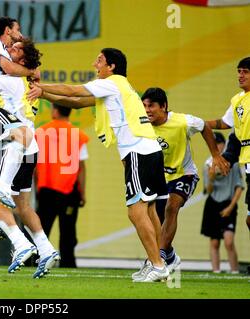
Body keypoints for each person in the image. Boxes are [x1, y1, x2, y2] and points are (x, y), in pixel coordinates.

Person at [27, 48, 170, 282]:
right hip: (151, 150)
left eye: (100, 60)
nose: (95, 64)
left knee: (136, 212)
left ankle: (157, 264)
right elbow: (74, 102)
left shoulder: (112, 83)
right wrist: (42, 94)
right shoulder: (118, 86)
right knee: (149, 211)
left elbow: (73, 90)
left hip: (138, 152)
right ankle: (159, 263)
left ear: (111, 66)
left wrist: (42, 87)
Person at [0, 39, 60, 278]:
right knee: (24, 206)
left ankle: (21, 244)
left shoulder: (9, 81)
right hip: (31, 146)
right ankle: (46, 249)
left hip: (16, 142)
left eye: (15, 49)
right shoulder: (31, 82)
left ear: (23, 60)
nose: (9, 50)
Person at [140, 87, 230, 273]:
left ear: (164, 106)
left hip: (184, 175)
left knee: (172, 207)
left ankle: (160, 257)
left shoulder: (182, 122)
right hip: (159, 178)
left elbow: (204, 126)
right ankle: (170, 255)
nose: (147, 110)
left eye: (151, 106)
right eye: (144, 106)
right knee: (155, 218)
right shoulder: (141, 124)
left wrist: (215, 155)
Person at [34, 103, 89, 268]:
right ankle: (68, 265)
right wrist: (83, 193)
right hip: (69, 191)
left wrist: (37, 187)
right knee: (68, 232)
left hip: (46, 189)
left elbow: (35, 165)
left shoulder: (41, 132)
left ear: (55, 111)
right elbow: (81, 167)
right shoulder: (78, 135)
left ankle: (35, 262)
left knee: (41, 231)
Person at [206, 57, 250, 234]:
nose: (240, 75)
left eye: (245, 72)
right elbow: (225, 123)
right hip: (248, 165)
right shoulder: (237, 100)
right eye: (239, 71)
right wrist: (199, 124)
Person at [201, 132, 242, 274]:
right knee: (214, 241)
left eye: (219, 143)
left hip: (229, 203)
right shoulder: (208, 164)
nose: (217, 146)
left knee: (229, 241)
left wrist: (231, 207)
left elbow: (239, 186)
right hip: (213, 203)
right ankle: (216, 271)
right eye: (214, 143)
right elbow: (208, 190)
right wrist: (211, 178)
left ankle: (235, 271)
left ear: (224, 144)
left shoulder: (232, 162)